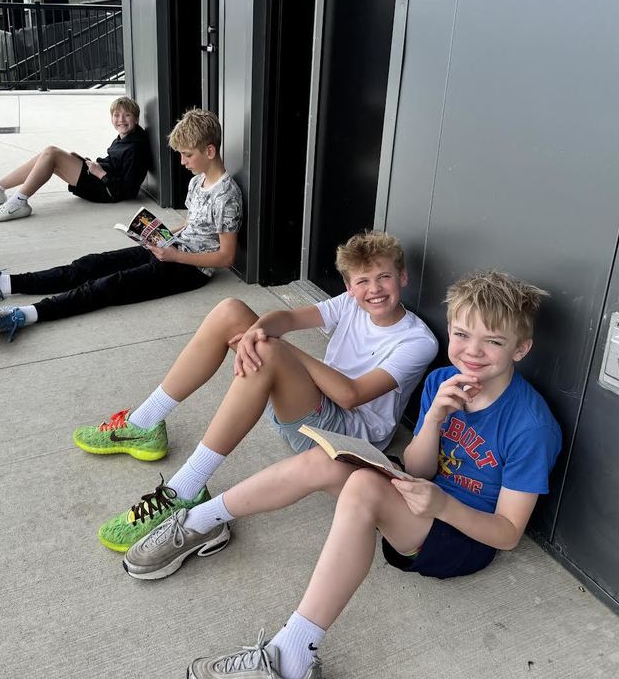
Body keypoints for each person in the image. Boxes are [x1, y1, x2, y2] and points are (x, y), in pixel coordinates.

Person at [169, 270, 562, 679]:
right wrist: (433, 420)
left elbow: (508, 533)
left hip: (462, 537)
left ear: (521, 348)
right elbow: (419, 468)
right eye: (462, 335)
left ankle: (292, 657)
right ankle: (196, 521)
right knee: (327, 459)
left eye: (494, 342)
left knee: (361, 488)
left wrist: (442, 504)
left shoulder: (530, 426)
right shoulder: (444, 381)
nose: (472, 352)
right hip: (423, 498)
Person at [72, 230, 440, 556]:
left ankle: (185, 487)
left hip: (344, 438)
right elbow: (290, 319)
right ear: (348, 286)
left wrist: (275, 346)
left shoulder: (417, 340)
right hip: (307, 406)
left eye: (384, 277)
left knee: (271, 350)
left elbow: (350, 395)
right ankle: (145, 421)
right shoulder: (350, 304)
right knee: (231, 311)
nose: (374, 289)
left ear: (402, 277)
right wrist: (258, 330)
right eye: (363, 281)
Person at [0, 108, 242, 341]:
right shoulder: (197, 181)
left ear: (209, 151)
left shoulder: (227, 195)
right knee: (88, 264)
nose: (182, 162)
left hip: (191, 269)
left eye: (187, 155)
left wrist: (174, 255)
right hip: (170, 248)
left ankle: (24, 314)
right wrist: (157, 234)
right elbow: (190, 223)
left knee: (106, 286)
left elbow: (225, 257)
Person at [0, 96, 152, 221]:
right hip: (98, 177)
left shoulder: (136, 146)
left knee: (52, 153)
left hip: (105, 190)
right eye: (116, 115)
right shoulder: (125, 137)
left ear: (136, 118)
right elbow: (115, 163)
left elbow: (127, 191)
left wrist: (100, 173)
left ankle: (17, 202)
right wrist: (88, 163)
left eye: (127, 115)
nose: (121, 120)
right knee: (46, 155)